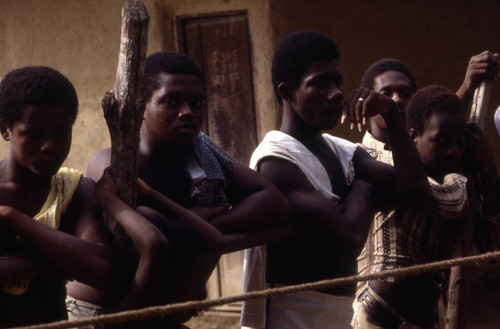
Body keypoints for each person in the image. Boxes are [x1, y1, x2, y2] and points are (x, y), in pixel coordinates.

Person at [70, 51, 290, 328]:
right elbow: (156, 232)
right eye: (171, 102)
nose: (187, 112)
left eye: (196, 102)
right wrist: (197, 219)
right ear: (141, 107)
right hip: (101, 314)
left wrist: (206, 218)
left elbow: (274, 203)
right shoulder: (114, 165)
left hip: (158, 315)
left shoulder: (202, 161)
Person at [241, 30, 430, 329]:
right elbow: (349, 237)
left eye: (337, 82)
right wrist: (364, 186)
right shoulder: (276, 161)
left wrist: (393, 116)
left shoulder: (340, 151)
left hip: (339, 313)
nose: (336, 93)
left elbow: (417, 194)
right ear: (287, 92)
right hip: (291, 315)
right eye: (319, 83)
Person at [351, 85, 499, 328]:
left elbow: (491, 243)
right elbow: (449, 201)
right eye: (441, 141)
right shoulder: (391, 166)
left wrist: (487, 171)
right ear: (412, 138)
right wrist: (463, 173)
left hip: (427, 320)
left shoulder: (448, 174)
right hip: (377, 318)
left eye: (460, 141)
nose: (453, 150)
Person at [0, 66, 113, 327]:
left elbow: (101, 269)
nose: (50, 146)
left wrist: (12, 217)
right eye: (35, 134)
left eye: (61, 132)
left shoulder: (73, 190)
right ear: (6, 130)